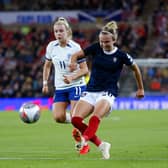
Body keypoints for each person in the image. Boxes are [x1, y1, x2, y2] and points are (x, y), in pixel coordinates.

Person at [68, 21, 144, 159]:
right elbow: (76, 55)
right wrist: (73, 63)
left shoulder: (121, 56)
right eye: (101, 41)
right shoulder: (96, 48)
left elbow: (136, 69)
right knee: (75, 120)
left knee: (94, 118)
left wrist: (140, 88)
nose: (103, 44)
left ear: (114, 40)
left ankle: (84, 140)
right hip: (91, 90)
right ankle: (102, 145)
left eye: (107, 42)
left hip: (107, 92)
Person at [42, 17, 88, 124]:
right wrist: (45, 83)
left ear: (67, 31)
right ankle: (76, 122)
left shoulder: (75, 47)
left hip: (76, 86)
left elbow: (85, 69)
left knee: (75, 116)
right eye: (56, 31)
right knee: (58, 118)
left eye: (61, 31)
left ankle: (83, 138)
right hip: (60, 87)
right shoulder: (51, 47)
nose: (58, 33)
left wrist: (72, 77)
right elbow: (47, 66)